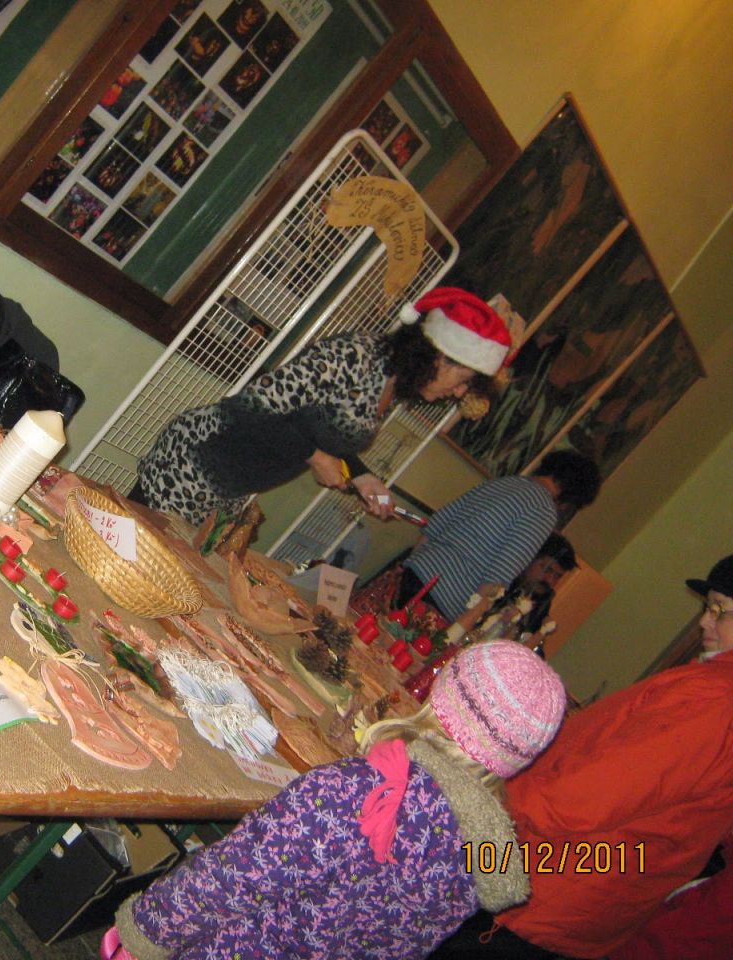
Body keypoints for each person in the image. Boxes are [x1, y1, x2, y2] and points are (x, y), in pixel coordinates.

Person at [100, 641, 566, 960]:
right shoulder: (480, 859)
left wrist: (144, 932)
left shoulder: (358, 791)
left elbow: (232, 876)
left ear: (443, 698)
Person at [429, 555, 733, 959]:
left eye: (719, 611)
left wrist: (477, 808)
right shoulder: (715, 690)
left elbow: (583, 799)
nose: (704, 622)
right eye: (707, 608)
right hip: (579, 896)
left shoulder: (714, 700)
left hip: (545, 891)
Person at [132, 287, 512, 527]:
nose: (460, 393)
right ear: (438, 356)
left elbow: (316, 427)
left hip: (226, 486)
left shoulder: (392, 382)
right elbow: (249, 407)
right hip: (192, 465)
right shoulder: (355, 356)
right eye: (463, 379)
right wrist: (315, 458)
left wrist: (361, 476)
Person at [397, 450, 600, 622]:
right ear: (571, 499)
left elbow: (437, 523)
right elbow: (499, 575)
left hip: (417, 569)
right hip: (444, 598)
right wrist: (463, 626)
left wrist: (409, 566)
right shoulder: (543, 512)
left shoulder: (506, 482)